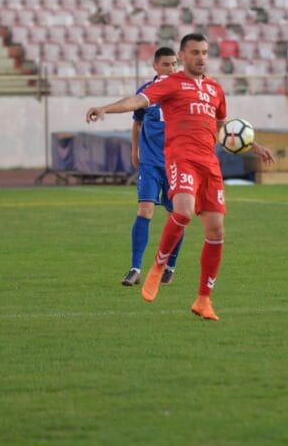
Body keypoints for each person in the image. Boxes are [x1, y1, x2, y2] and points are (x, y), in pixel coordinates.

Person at [87, 33, 275, 321]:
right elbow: (138, 100)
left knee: (216, 231)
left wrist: (254, 145)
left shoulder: (215, 89)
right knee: (183, 212)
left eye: (204, 52)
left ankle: (203, 300)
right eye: (195, 52)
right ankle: (158, 266)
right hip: (181, 158)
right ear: (183, 56)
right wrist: (105, 109)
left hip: (209, 164)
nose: (201, 57)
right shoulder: (170, 84)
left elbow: (223, 128)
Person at [122, 47, 184, 287]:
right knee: (145, 210)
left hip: (176, 164)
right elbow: (137, 124)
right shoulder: (146, 93)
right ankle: (135, 268)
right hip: (150, 162)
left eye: (174, 64)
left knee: (176, 216)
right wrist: (134, 150)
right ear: (155, 66)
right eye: (166, 64)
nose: (171, 68)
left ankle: (170, 266)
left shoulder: (182, 91)